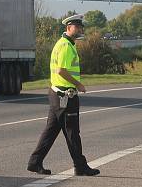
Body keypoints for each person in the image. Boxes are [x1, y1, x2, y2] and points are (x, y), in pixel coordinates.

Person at [27, 14, 100, 176]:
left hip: (56, 93)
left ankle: (35, 162)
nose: (80, 29)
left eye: (81, 27)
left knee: (51, 130)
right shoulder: (66, 46)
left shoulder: (63, 43)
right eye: (77, 26)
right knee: (72, 132)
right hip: (65, 95)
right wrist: (78, 84)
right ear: (68, 28)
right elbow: (62, 70)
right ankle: (80, 166)